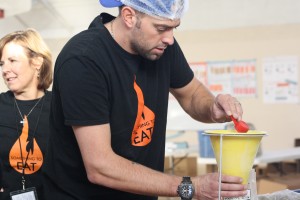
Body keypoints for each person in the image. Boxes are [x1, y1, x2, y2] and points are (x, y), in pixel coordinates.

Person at [42, 0, 248, 199]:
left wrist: (212, 108)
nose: (170, 38)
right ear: (129, 16)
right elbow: (100, 166)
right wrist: (191, 187)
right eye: (161, 28)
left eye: (174, 28)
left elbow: (192, 94)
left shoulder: (162, 48)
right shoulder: (84, 60)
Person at [0, 28, 53, 200]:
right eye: (2, 63)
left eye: (12, 60)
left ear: (37, 62)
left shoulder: (60, 107)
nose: (5, 70)